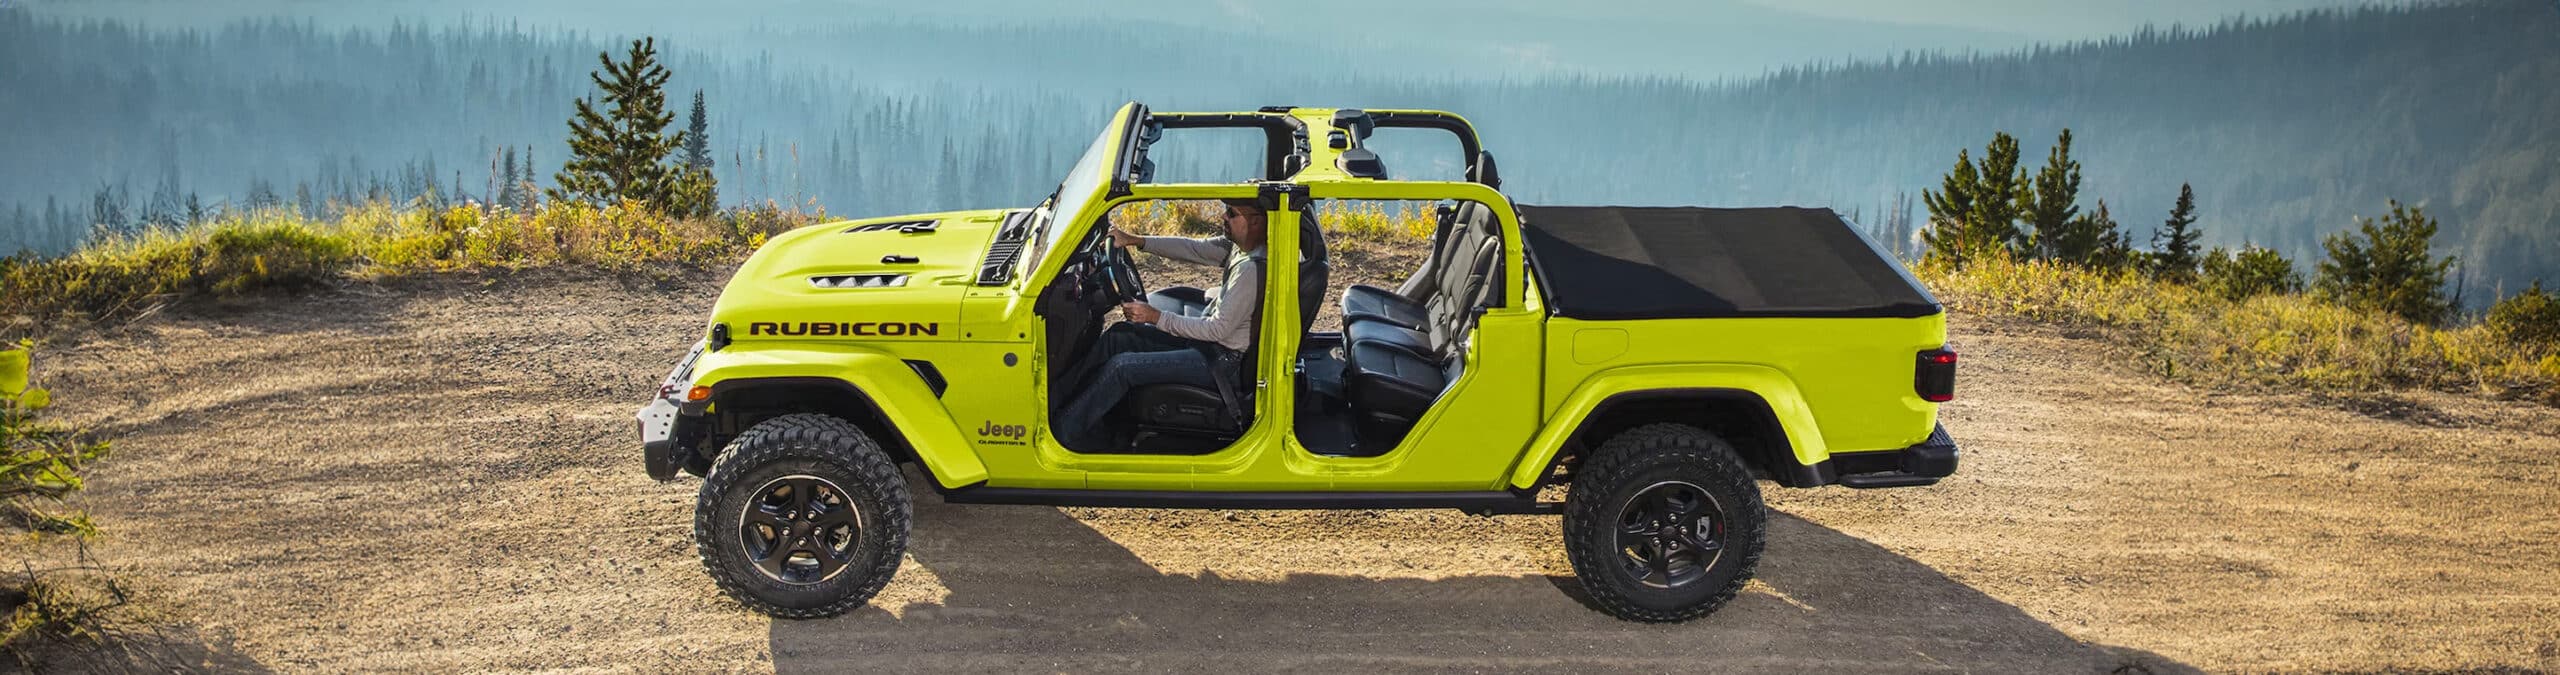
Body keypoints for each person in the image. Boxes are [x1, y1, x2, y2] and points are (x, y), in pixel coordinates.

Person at [1053, 199, 1267, 451]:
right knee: (1120, 335)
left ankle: (1062, 436)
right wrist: (1135, 239)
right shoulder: (1240, 249)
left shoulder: (1251, 271)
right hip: (1211, 346)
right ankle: (1059, 401)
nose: (1223, 217)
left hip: (1223, 361)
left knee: (1122, 367)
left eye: (1231, 213)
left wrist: (1155, 317)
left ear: (1255, 221)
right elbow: (1193, 248)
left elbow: (1216, 330)